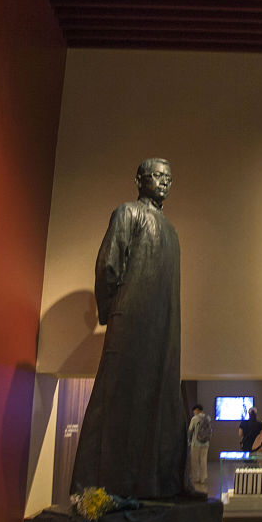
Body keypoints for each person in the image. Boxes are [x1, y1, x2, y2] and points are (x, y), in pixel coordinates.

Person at [70, 158, 191, 500]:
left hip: (163, 328)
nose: (163, 182)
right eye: (156, 175)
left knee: (160, 402)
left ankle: (153, 485)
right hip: (132, 321)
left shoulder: (171, 231)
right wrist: (112, 312)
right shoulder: (128, 213)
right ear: (139, 179)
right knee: (118, 398)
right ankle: (95, 489)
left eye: (168, 177)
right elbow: (109, 264)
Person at [187, 404, 212, 489]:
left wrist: (189, 439)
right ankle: (203, 478)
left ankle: (196, 478)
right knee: (203, 460)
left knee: (195, 461)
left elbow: (190, 430)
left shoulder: (194, 419)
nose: (194, 412)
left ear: (197, 410)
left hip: (195, 443)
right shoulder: (208, 418)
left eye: (194, 410)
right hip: (205, 443)